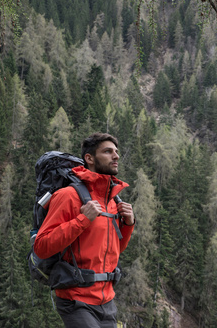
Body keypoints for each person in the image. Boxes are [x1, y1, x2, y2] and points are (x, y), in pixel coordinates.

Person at [34, 132, 135, 328]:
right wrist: (82, 220)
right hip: (76, 300)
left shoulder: (113, 201)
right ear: (89, 158)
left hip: (107, 302)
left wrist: (128, 225)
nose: (116, 156)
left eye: (116, 152)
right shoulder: (68, 196)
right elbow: (42, 246)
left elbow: (113, 251)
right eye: (108, 151)